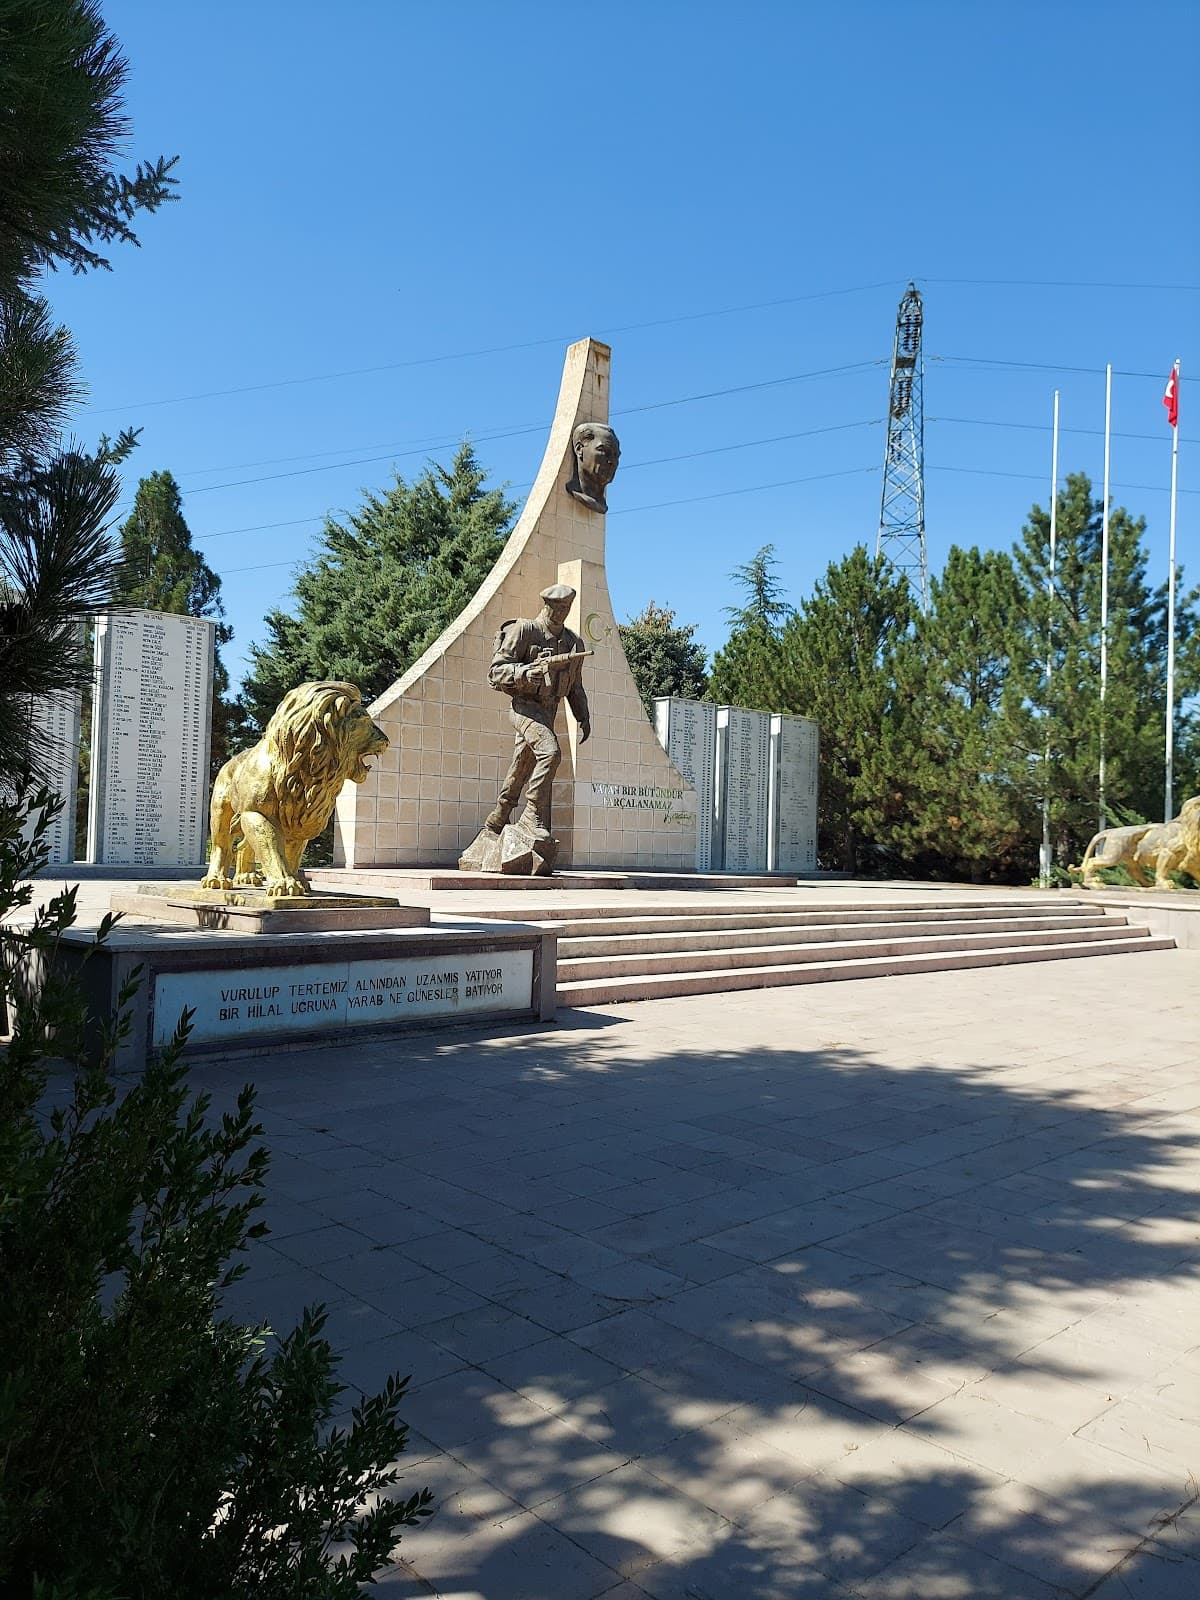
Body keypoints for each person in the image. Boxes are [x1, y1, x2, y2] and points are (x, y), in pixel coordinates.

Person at [485, 583, 591, 840]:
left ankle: (497, 819)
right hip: (524, 706)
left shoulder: (573, 643)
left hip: (548, 710)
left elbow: (575, 686)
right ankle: (533, 813)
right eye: (558, 607)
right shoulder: (525, 630)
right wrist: (525, 673)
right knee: (550, 753)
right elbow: (495, 671)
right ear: (547, 605)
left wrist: (583, 716)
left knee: (521, 765)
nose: (562, 612)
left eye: (567, 608)